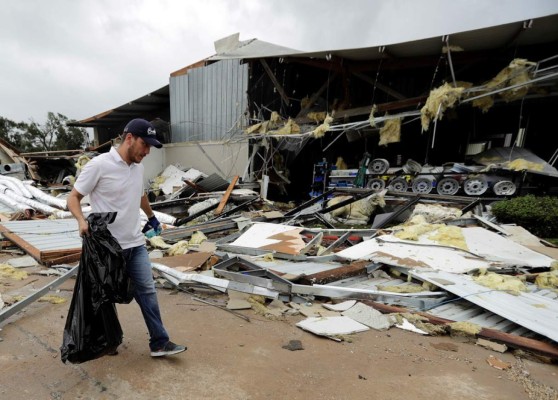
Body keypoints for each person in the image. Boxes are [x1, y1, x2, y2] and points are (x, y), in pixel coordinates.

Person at [67, 118, 186, 358]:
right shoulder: (99, 165)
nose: (147, 151)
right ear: (129, 138)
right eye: (145, 145)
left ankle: (159, 342)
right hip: (107, 248)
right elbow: (73, 197)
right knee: (104, 295)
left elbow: (140, 195)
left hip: (135, 244)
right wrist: (81, 221)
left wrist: (151, 217)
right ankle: (107, 341)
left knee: (147, 291)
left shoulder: (138, 166)